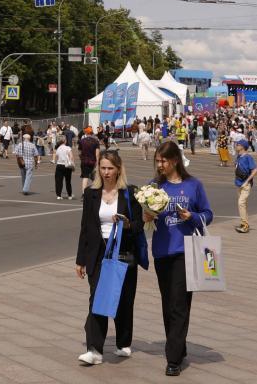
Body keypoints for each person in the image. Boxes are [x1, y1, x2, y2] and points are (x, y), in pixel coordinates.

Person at [74, 149, 148, 366]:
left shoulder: (129, 193)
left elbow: (139, 226)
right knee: (97, 299)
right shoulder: (91, 193)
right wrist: (80, 260)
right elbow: (85, 228)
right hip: (97, 255)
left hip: (123, 252)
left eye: (110, 168)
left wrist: (126, 224)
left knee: (123, 300)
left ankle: (123, 341)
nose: (106, 172)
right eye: (103, 168)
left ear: (118, 169)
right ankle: (94, 350)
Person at [147, 141, 212, 377]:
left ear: (174, 160)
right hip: (162, 251)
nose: (159, 165)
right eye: (157, 161)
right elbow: (146, 218)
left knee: (178, 304)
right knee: (169, 304)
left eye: (163, 161)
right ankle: (179, 346)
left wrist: (191, 216)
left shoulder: (193, 185)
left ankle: (173, 358)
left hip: (186, 251)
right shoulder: (154, 186)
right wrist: (146, 214)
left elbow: (208, 214)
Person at [233, 139, 257, 233]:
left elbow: (255, 170)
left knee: (241, 203)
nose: (236, 146)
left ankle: (245, 224)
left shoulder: (248, 157)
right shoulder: (238, 156)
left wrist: (246, 181)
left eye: (237, 144)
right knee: (243, 204)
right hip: (238, 183)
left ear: (242, 146)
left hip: (245, 184)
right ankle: (244, 223)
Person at [78, 127, 101, 192]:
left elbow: (79, 152)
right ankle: (94, 192)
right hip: (92, 161)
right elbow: (97, 154)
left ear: (86, 133)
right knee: (94, 177)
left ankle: (84, 193)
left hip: (84, 161)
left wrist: (81, 158)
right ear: (91, 133)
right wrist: (97, 162)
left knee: (85, 177)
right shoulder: (96, 141)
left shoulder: (82, 141)